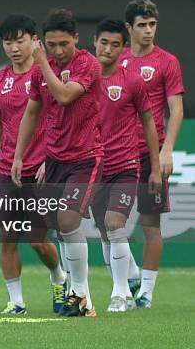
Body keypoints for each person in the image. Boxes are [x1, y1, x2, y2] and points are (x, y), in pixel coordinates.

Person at [12, 9, 103, 317]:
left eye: (64, 44)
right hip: (54, 159)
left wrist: (40, 62)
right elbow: (32, 113)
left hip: (86, 157)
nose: (58, 51)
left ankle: (77, 293)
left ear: (76, 38)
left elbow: (64, 96)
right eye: (51, 45)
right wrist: (19, 155)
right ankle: (83, 299)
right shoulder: (43, 70)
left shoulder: (88, 64)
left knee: (68, 221)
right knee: (59, 228)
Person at [0, 14, 67, 315]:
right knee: (6, 238)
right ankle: (16, 301)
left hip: (41, 168)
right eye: (9, 42)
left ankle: (59, 276)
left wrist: (50, 158)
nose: (15, 48)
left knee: (37, 240)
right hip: (8, 169)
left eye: (21, 40)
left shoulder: (49, 76)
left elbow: (61, 120)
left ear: (35, 40)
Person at [91, 19, 162, 312]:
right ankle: (130, 276)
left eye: (115, 44)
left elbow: (148, 121)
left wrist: (155, 167)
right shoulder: (81, 81)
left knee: (114, 225)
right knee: (105, 232)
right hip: (93, 166)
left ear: (123, 49)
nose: (108, 49)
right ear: (94, 41)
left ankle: (119, 294)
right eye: (103, 42)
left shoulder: (132, 80)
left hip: (125, 164)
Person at [119, 0, 184, 308]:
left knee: (149, 224)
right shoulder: (115, 61)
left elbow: (176, 108)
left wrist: (167, 148)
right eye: (142, 25)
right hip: (117, 153)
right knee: (109, 222)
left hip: (150, 153)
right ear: (129, 28)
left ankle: (145, 292)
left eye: (152, 24)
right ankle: (130, 274)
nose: (148, 30)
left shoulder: (167, 61)